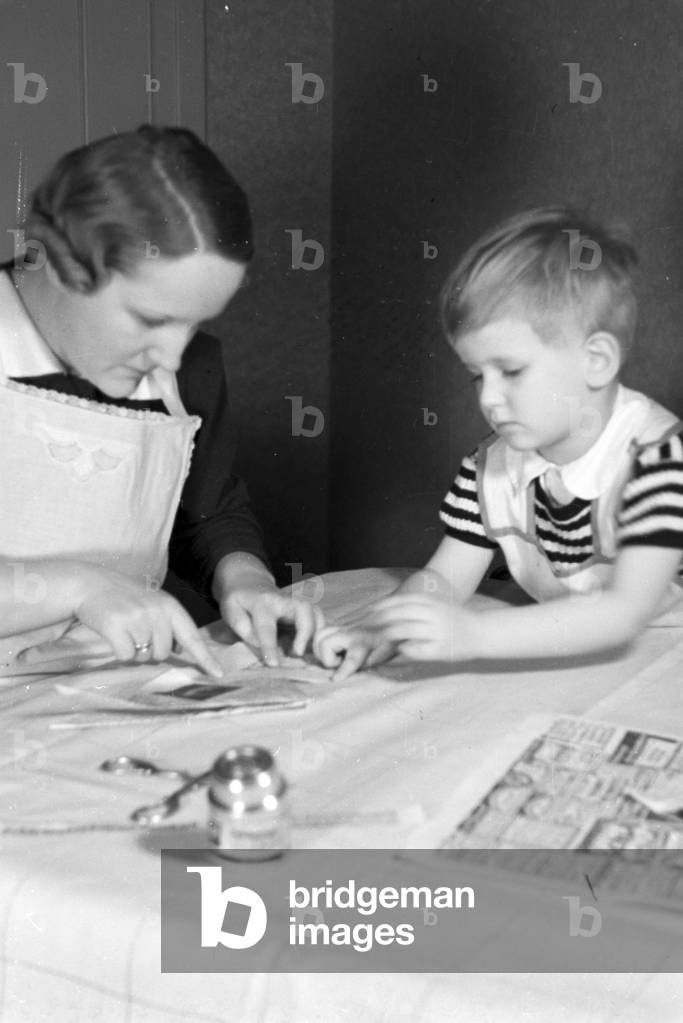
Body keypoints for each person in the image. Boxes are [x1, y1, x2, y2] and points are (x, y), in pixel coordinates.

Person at [0, 124, 321, 676]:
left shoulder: (192, 367)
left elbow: (208, 512)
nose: (172, 357)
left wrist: (246, 579)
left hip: (98, 685)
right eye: (151, 319)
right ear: (54, 260)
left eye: (194, 324)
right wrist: (80, 587)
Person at [314, 206, 683, 678]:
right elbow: (445, 578)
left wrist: (473, 635)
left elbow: (623, 613)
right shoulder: (489, 466)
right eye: (476, 375)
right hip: (571, 658)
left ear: (596, 360)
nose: (488, 398)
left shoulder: (659, 458)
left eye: (510, 371)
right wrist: (382, 630)